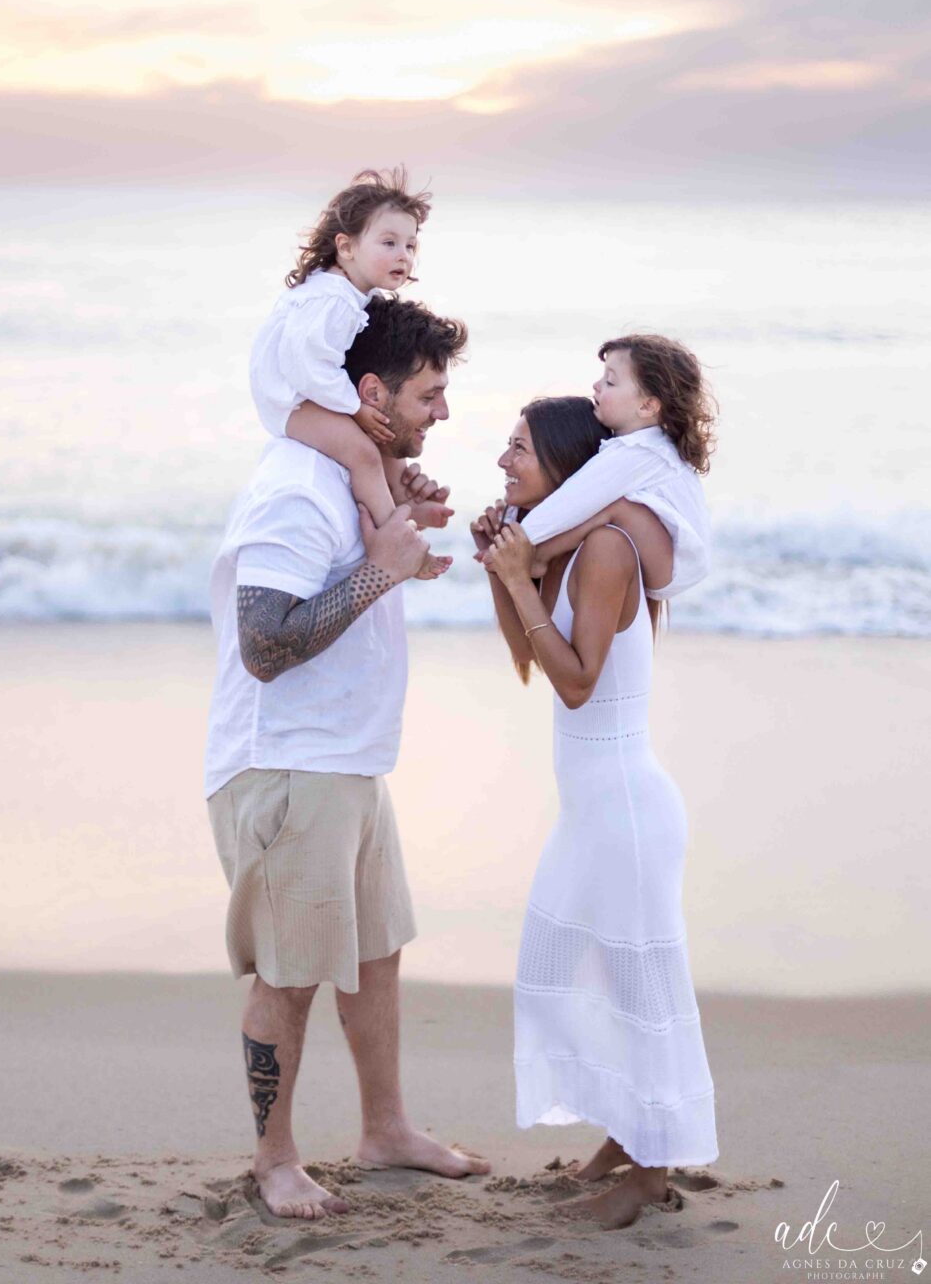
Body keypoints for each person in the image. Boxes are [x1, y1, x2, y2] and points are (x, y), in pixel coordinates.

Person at [205, 294, 488, 1221]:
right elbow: (264, 643)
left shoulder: (348, 482)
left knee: (374, 954)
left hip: (346, 759)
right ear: (370, 390)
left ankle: (385, 1130)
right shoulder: (295, 485)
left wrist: (390, 541)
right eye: (428, 394)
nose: (440, 413)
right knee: (289, 974)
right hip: (288, 766)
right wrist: (381, 571)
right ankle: (273, 1158)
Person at [477, 395, 719, 1230]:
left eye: (516, 450)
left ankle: (649, 1174)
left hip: (625, 806)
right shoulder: (565, 550)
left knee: (640, 987)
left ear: (565, 463)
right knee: (560, 970)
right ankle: (627, 1131)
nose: (503, 462)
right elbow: (524, 658)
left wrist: (520, 577)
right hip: (593, 811)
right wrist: (501, 571)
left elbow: (576, 686)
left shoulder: (609, 548)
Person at [249, 167, 444, 552]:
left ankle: (401, 510)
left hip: (304, 393)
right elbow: (306, 366)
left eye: (409, 246)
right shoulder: (334, 299)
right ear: (347, 246)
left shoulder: (350, 292)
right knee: (363, 453)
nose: (402, 256)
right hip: (290, 400)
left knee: (383, 435)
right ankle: (399, 545)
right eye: (388, 243)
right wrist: (354, 406)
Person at [510, 335, 717, 600]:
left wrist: (519, 539)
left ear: (647, 405)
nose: (596, 386)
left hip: (673, 567)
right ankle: (538, 552)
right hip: (666, 556)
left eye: (610, 382)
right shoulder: (646, 446)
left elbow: (574, 497)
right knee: (611, 506)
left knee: (615, 506)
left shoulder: (641, 450)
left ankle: (541, 555)